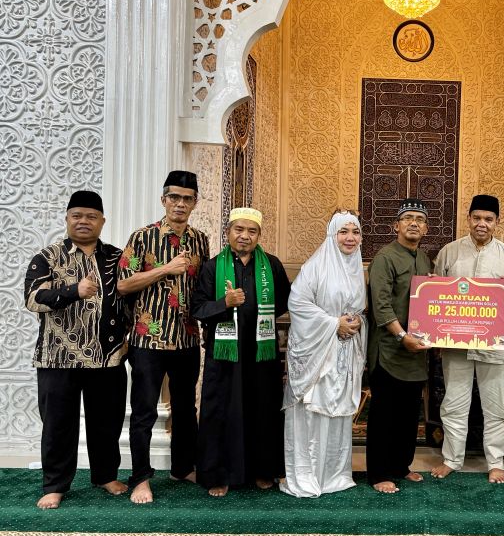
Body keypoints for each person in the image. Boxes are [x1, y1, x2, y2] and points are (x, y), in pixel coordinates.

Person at [24, 191, 129, 509]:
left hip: (107, 357)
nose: (84, 221)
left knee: (107, 421)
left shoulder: (115, 257)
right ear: (68, 218)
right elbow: (32, 299)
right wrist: (73, 290)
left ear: (102, 221)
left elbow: (132, 295)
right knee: (58, 424)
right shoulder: (48, 256)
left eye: (91, 216)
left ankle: (105, 475)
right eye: (77, 216)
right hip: (58, 357)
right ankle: (55, 485)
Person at [117, 171, 210, 504]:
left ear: (195, 202)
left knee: (186, 410)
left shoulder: (200, 239)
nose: (180, 204)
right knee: (144, 412)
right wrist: (164, 270)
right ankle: (141, 478)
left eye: (187, 198)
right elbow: (123, 284)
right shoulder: (143, 237)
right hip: (148, 341)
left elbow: (201, 289)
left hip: (186, 339)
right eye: (174, 197)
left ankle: (182, 468)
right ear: (163, 200)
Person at [192, 207, 290, 497]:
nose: (245, 236)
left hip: (262, 353)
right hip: (224, 355)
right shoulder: (212, 267)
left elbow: (284, 302)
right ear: (228, 232)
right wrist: (225, 302)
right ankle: (219, 475)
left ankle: (263, 471)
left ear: (259, 235)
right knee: (223, 411)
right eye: (239, 229)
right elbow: (198, 308)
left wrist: (258, 314)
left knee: (263, 409)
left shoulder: (271, 266)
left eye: (251, 231)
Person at [430, 195, 504, 484]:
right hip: (456, 345)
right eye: (477, 218)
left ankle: (495, 461)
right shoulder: (449, 252)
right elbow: (436, 295)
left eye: (489, 219)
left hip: (494, 345)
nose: (482, 224)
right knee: (454, 402)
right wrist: (435, 337)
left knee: (496, 405)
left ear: (497, 222)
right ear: (468, 218)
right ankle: (451, 459)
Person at [281, 210, 366, 497]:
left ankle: (334, 475)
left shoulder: (356, 269)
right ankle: (307, 476)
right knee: (313, 411)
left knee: (337, 413)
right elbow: (298, 304)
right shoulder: (315, 267)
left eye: (355, 232)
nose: (350, 238)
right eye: (343, 232)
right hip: (318, 356)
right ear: (332, 234)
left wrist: (355, 322)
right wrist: (334, 324)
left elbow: (358, 309)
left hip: (343, 353)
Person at [366, 198, 432, 494]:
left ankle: (401, 467)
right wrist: (401, 335)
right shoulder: (385, 257)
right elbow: (380, 306)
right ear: (397, 225)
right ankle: (379, 472)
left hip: (416, 353)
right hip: (391, 350)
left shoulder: (424, 258)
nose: (414, 223)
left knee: (408, 415)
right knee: (384, 416)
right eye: (408, 218)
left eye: (419, 219)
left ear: (426, 228)